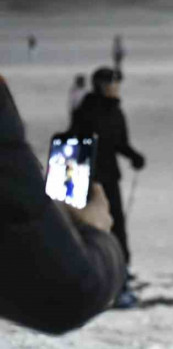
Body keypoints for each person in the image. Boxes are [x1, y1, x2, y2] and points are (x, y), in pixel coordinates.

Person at [1, 74, 126, 334]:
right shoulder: (93, 110)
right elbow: (68, 291)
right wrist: (94, 232)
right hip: (96, 183)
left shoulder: (100, 109)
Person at [69, 67, 145, 308]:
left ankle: (122, 275)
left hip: (110, 177)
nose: (116, 87)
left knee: (118, 227)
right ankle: (109, 284)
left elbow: (119, 142)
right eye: (112, 82)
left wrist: (134, 156)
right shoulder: (87, 110)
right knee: (97, 228)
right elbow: (77, 141)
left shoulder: (116, 111)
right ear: (101, 85)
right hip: (91, 180)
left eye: (117, 83)